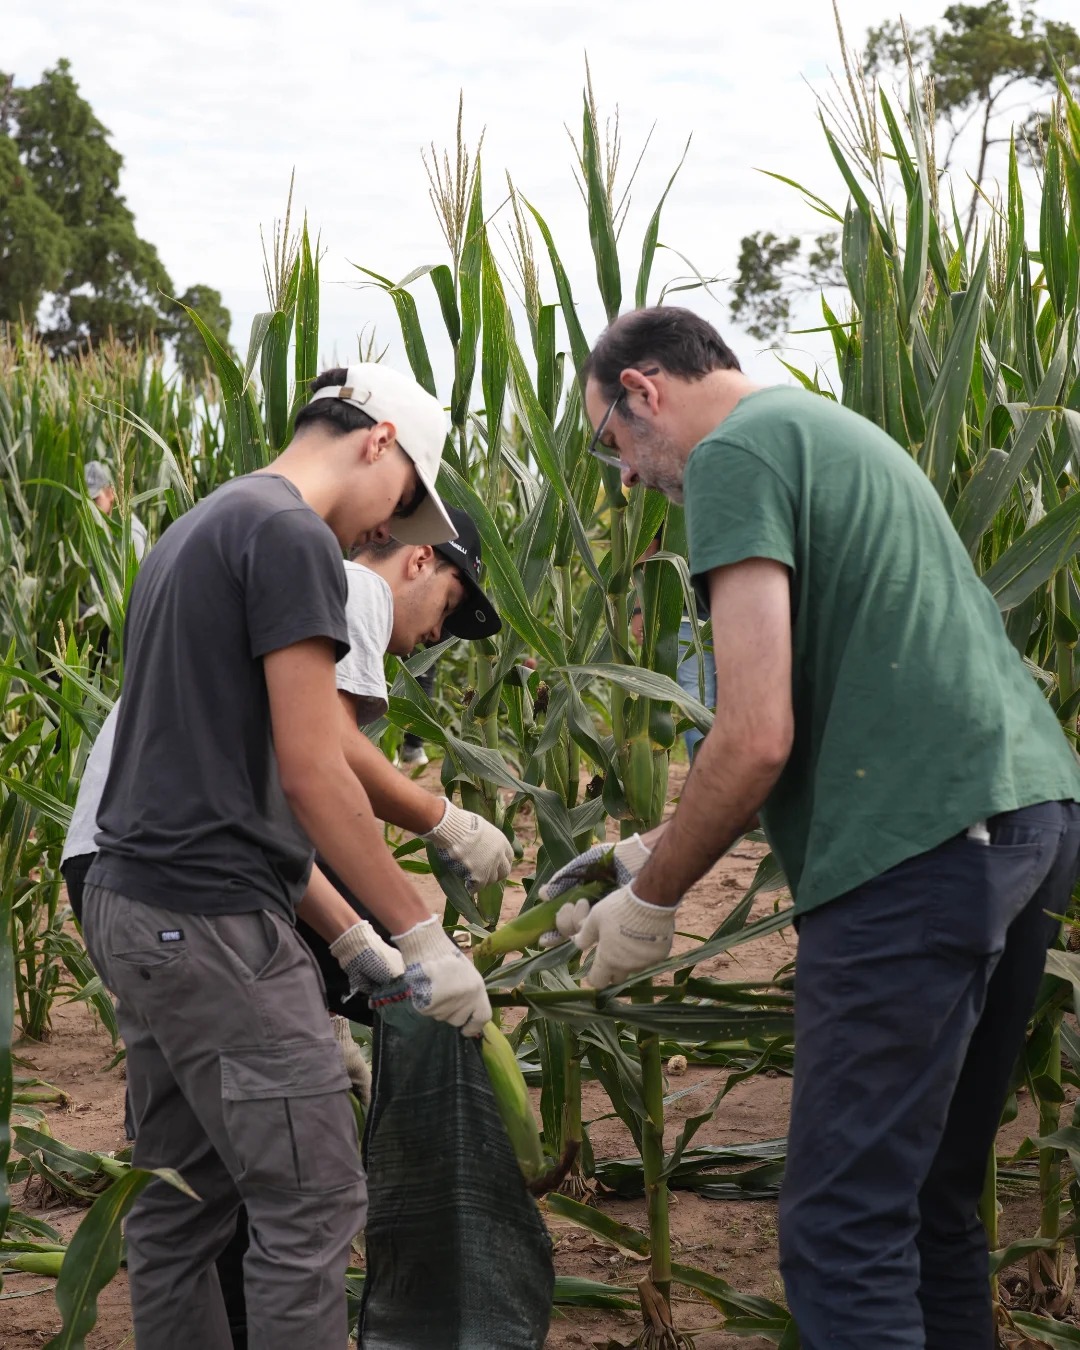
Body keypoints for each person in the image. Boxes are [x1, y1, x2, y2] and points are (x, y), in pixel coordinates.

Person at [542, 307, 1080, 1350]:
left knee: (841, 1229)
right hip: (1024, 822)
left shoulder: (734, 454)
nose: (626, 475)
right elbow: (865, 689)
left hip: (918, 853)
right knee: (929, 1205)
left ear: (643, 390)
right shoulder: (830, 432)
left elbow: (753, 735)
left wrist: (654, 907)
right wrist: (658, 845)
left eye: (613, 441)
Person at [79, 363, 493, 1350]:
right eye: (405, 506)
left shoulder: (201, 526)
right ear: (377, 440)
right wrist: (423, 933)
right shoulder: (291, 537)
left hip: (136, 907)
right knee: (312, 1206)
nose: (390, 534)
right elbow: (317, 775)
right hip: (213, 924)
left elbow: (229, 787)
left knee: (180, 1209)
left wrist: (350, 943)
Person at [631, 528, 714, 758]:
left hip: (739, 611)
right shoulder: (668, 493)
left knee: (714, 701)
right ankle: (708, 780)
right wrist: (639, 608)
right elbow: (648, 549)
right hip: (685, 611)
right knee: (698, 701)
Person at [84, 460, 149, 560]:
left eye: (95, 499)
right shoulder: (97, 530)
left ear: (110, 493)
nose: (90, 507)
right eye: (86, 502)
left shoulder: (131, 534)